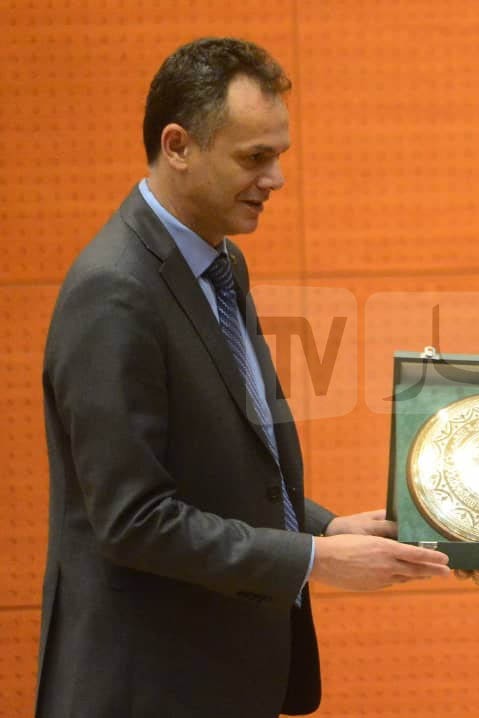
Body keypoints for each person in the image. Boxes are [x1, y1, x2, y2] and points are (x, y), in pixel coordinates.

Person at [36, 37, 450, 718]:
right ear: (178, 146)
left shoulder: (218, 262)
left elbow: (216, 472)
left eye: (278, 155)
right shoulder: (114, 292)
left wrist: (327, 528)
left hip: (217, 678)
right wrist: (312, 559)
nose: (277, 178)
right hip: (146, 686)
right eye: (255, 158)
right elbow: (134, 520)